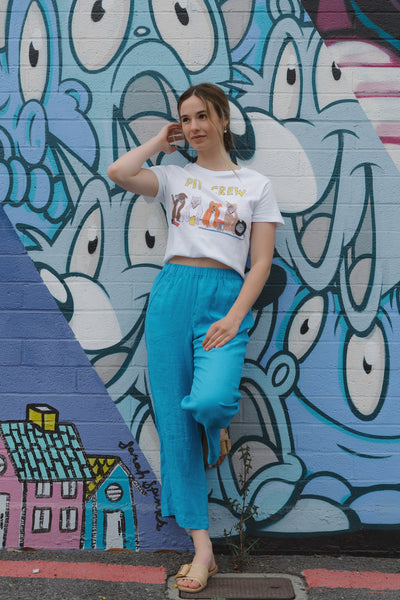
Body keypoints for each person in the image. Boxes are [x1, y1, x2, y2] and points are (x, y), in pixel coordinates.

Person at [107, 82, 284, 593]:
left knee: (211, 401)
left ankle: (216, 427)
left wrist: (234, 316)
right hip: (172, 295)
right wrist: (158, 142)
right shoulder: (174, 176)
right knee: (174, 423)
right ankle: (202, 548)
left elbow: (262, 262)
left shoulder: (256, 185)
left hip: (224, 298)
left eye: (202, 116)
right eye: (185, 119)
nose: (194, 127)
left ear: (223, 120)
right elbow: (119, 172)